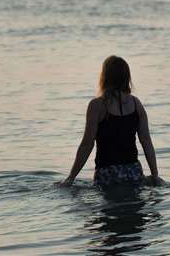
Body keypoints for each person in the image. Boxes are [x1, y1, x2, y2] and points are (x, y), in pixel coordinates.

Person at [57, 55, 161, 187]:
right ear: (126, 77)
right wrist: (155, 175)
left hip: (107, 175)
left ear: (104, 77)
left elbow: (87, 144)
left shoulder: (97, 105)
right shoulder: (136, 104)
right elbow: (146, 141)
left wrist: (70, 178)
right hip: (134, 172)